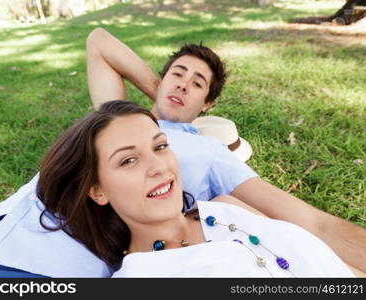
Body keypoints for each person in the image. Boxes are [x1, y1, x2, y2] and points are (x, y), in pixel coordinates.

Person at [85, 28, 366, 273]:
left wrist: (175, 103)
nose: (183, 84)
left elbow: (315, 224)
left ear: (207, 105)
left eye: (197, 84)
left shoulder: (209, 151)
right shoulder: (119, 125)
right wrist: (163, 96)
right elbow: (99, 41)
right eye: (177, 74)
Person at [37, 100, 356, 277]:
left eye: (160, 147)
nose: (159, 166)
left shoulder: (222, 209)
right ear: (97, 191)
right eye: (129, 160)